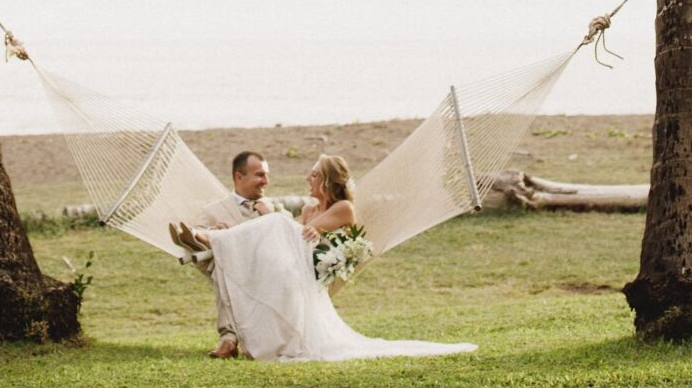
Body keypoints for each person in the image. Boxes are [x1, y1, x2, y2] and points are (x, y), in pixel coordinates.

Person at [178, 150, 475, 365]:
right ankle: (213, 236)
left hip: (305, 274)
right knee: (274, 226)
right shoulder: (308, 209)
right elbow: (295, 235)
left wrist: (274, 218)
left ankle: (207, 238)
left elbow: (298, 233)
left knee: (276, 222)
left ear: (328, 180)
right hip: (292, 268)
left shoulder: (344, 208)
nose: (308, 178)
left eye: (314, 174)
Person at [177, 149, 272, 358]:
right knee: (222, 259)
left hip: (266, 274)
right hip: (230, 272)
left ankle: (228, 338)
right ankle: (206, 237)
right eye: (260, 175)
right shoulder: (213, 210)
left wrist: (270, 218)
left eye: (266, 175)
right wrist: (217, 231)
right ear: (239, 177)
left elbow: (285, 243)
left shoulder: (271, 208)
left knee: (223, 260)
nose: (266, 181)